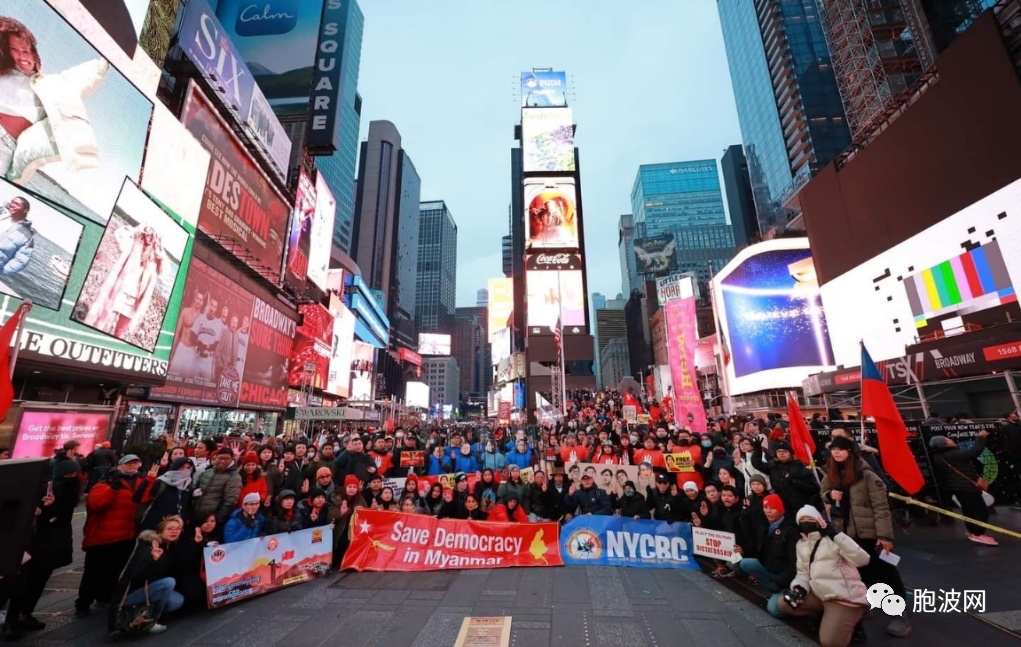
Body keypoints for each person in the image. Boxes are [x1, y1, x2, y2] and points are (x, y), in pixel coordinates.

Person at [822, 435, 911, 637]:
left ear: (851, 451)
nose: (836, 452)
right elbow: (824, 491)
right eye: (833, 449)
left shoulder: (867, 475)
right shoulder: (832, 472)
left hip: (870, 532)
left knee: (886, 572)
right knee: (859, 573)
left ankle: (899, 612)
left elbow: (881, 507)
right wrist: (829, 496)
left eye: (841, 449)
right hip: (845, 532)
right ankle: (868, 602)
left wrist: (885, 536)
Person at [2, 455, 79, 638]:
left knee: (32, 583)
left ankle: (20, 616)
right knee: (25, 583)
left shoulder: (58, 489)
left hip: (46, 546)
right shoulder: (44, 489)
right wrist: (43, 510)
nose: (74, 477)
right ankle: (16, 618)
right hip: (36, 546)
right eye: (70, 473)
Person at [776, 506, 871, 647]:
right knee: (784, 603)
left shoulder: (833, 540)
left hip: (842, 596)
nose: (806, 522)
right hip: (820, 593)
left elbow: (863, 559)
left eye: (810, 519)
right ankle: (828, 616)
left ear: (819, 521)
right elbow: (802, 573)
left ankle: (853, 618)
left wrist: (836, 535)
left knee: (830, 642)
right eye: (802, 520)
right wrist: (799, 589)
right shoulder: (801, 544)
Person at [76, 454, 152, 618]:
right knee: (93, 572)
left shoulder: (139, 482)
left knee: (114, 570)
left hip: (126, 535)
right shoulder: (106, 482)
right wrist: (113, 489)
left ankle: (104, 596)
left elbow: (147, 497)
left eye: (135, 463)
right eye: (128, 464)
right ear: (119, 466)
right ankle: (83, 602)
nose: (132, 466)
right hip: (102, 537)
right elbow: (96, 504)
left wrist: (151, 479)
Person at [81, 224, 165, 339]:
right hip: (120, 292)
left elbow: (164, 272)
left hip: (135, 301)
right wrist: (136, 229)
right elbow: (118, 234)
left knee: (119, 333)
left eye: (153, 236)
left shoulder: (156, 259)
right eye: (148, 234)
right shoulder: (134, 244)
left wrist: (161, 254)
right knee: (103, 322)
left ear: (157, 238)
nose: (149, 238)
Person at [109, 516, 188, 635]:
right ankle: (151, 621)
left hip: (149, 588)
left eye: (178, 528)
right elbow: (137, 575)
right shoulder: (148, 546)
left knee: (177, 600)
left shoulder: (168, 545)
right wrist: (153, 560)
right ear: (160, 530)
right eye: (170, 528)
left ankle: (143, 616)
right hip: (130, 593)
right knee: (168, 582)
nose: (175, 531)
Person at [930, 430, 997, 545]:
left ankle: (972, 532)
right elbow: (974, 452)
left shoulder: (939, 456)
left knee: (969, 511)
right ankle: (978, 534)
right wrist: (981, 438)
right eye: (948, 440)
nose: (951, 440)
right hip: (967, 487)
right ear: (945, 444)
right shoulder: (954, 454)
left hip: (958, 488)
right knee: (980, 511)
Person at [737, 494, 798, 612]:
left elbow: (794, 565)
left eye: (772, 508)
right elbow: (752, 538)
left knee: (774, 609)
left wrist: (780, 583)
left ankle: (781, 591)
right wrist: (744, 517)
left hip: (785, 577)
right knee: (746, 563)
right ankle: (772, 588)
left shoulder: (790, 531)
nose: (768, 511)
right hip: (771, 568)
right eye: (766, 508)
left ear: (780, 510)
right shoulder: (766, 524)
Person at [752, 439, 819, 514]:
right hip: (782, 506)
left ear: (791, 454)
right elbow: (757, 464)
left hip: (801, 506)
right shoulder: (773, 466)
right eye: (779, 452)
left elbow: (815, 488)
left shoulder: (800, 467)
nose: (781, 454)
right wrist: (757, 450)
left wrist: (793, 481)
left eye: (785, 451)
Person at [135, 457, 194, 531]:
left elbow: (188, 506)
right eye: (182, 467)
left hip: (174, 529)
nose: (185, 470)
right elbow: (139, 498)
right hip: (154, 527)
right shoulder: (161, 482)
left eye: (188, 468)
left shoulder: (188, 485)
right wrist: (149, 480)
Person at [192, 448, 242, 529]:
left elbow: (230, 501)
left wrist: (218, 518)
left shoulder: (234, 477)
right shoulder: (206, 472)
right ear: (216, 457)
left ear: (231, 459)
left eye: (226, 459)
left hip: (213, 519)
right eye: (220, 458)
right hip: (197, 514)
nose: (222, 461)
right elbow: (195, 487)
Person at [0, 195, 34, 274]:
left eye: (17, 204)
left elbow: (21, 261)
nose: (12, 205)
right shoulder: (1, 214)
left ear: (25, 210)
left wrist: (3, 271)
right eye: (12, 202)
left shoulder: (26, 235)